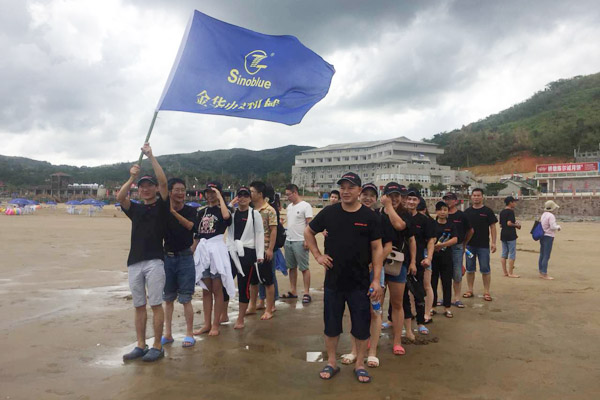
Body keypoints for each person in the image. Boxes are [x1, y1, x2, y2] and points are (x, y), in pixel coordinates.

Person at [305, 172, 383, 383]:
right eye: (342, 187)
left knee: (361, 325)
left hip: (360, 282)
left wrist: (376, 279)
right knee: (331, 324)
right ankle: (332, 362)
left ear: (359, 191)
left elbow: (377, 248)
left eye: (351, 187)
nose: (345, 191)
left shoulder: (369, 217)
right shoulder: (329, 212)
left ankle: (360, 364)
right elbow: (308, 232)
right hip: (334, 281)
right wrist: (318, 255)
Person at [118, 143, 168, 362]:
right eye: (142, 186)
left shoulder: (162, 206)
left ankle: (157, 345)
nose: (146, 189)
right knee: (139, 305)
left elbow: (164, 182)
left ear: (155, 189)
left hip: (155, 261)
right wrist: (131, 177)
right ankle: (140, 344)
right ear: (138, 190)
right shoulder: (136, 208)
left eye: (149, 186)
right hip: (134, 262)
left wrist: (151, 156)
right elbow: (120, 198)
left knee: (155, 304)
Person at [341, 183, 393, 368]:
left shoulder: (381, 218)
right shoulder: (349, 215)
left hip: (375, 273)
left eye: (372, 195)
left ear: (376, 198)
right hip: (354, 271)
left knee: (375, 311)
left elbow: (387, 246)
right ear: (359, 194)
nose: (368, 198)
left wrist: (374, 263)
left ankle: (372, 353)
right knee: (355, 311)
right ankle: (354, 351)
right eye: (365, 194)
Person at [192, 181, 235, 336]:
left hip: (217, 250)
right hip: (203, 250)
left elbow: (226, 217)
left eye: (213, 192)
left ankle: (216, 324)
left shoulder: (225, 209)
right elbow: (197, 235)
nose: (209, 195)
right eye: (208, 192)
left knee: (217, 289)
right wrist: (192, 252)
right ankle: (207, 324)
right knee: (206, 289)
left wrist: (219, 198)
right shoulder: (201, 212)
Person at [162, 178, 198, 348]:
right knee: (168, 298)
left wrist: (173, 213)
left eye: (183, 190)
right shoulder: (163, 212)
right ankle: (167, 334)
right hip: (167, 257)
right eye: (177, 190)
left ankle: (189, 334)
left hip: (185, 258)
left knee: (186, 298)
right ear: (170, 192)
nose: (181, 193)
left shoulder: (191, 210)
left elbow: (191, 226)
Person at [380, 182, 416, 350]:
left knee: (397, 303)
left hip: (398, 263)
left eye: (397, 196)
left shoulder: (405, 214)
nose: (394, 199)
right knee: (376, 303)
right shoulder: (377, 214)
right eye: (390, 195)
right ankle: (372, 338)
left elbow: (400, 226)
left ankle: (397, 341)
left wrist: (413, 262)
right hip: (379, 262)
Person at [226, 186, 265, 328]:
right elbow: (222, 217)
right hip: (232, 251)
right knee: (225, 283)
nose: (242, 198)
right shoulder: (232, 213)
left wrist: (260, 254)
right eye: (240, 195)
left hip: (248, 252)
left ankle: (240, 318)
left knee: (243, 285)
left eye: (245, 195)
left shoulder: (255, 214)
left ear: (250, 198)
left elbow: (259, 234)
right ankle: (223, 314)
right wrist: (230, 205)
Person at [247, 181, 277, 320]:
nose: (250, 194)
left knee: (267, 281)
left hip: (264, 249)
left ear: (260, 194)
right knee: (253, 281)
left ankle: (269, 309)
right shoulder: (250, 209)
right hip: (251, 249)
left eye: (252, 191)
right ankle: (252, 305)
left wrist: (270, 249)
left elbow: (273, 230)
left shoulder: (269, 210)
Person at [406, 192, 435, 328]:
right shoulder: (400, 217)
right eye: (409, 199)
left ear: (418, 201)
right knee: (404, 290)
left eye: (414, 199)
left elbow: (431, 241)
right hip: (402, 259)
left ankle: (424, 316)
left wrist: (428, 258)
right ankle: (407, 314)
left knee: (423, 288)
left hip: (419, 259)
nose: (411, 202)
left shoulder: (424, 220)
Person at [463, 188, 498, 301]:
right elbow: (463, 228)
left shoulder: (487, 211)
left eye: (478, 195)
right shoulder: (467, 212)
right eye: (474, 195)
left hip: (483, 246)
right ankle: (470, 290)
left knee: (485, 269)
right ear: (471, 197)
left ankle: (486, 292)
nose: (476, 197)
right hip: (469, 246)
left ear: (482, 197)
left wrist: (493, 242)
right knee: (470, 268)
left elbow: (493, 227)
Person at [282, 184, 313, 303]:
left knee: (304, 267)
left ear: (295, 193)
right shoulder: (289, 207)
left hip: (300, 240)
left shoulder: (306, 206)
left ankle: (306, 292)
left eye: (288, 194)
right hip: (289, 240)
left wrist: (307, 240)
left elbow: (309, 224)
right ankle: (293, 290)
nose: (287, 197)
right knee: (292, 267)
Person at [443, 192, 473, 308]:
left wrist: (464, 243)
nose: (448, 201)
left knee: (457, 272)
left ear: (455, 201)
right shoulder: (443, 215)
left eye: (450, 199)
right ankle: (446, 298)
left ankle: (456, 298)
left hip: (457, 247)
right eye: (446, 199)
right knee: (444, 273)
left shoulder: (462, 215)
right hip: (444, 247)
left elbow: (470, 230)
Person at [431, 201, 458, 318]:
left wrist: (442, 245)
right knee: (432, 282)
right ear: (436, 211)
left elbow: (455, 239)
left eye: (445, 210)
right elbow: (428, 238)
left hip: (447, 258)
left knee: (446, 282)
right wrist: (433, 246)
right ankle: (432, 306)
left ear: (448, 211)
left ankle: (447, 307)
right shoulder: (432, 224)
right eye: (440, 210)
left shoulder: (452, 225)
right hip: (433, 258)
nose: (442, 212)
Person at [500, 196, 521, 278]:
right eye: (514, 202)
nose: (515, 203)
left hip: (503, 233)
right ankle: (510, 273)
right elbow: (509, 223)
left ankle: (505, 272)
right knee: (512, 253)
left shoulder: (502, 212)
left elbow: (501, 224)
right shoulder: (510, 212)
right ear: (510, 203)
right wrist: (517, 225)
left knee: (504, 253)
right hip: (510, 234)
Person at [539, 200, 561, 280]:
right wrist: (558, 227)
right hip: (548, 236)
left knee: (542, 254)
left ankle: (541, 271)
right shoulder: (551, 216)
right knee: (546, 255)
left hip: (542, 235)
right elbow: (552, 226)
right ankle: (544, 273)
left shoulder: (543, 214)